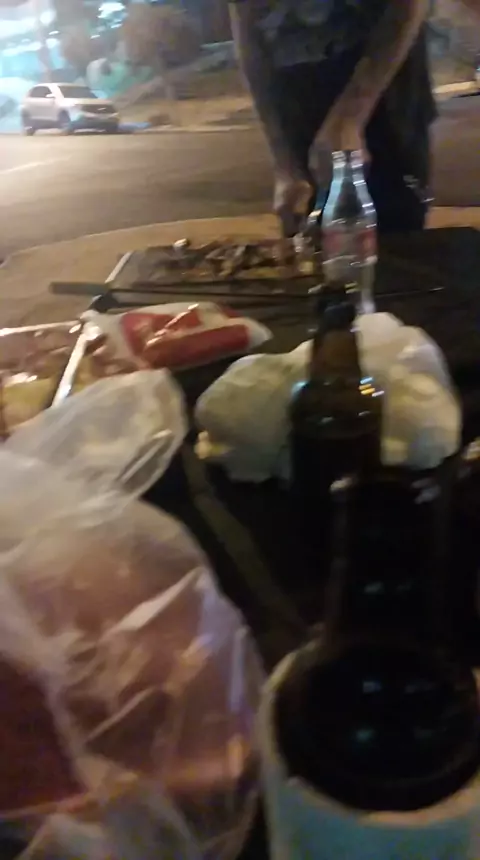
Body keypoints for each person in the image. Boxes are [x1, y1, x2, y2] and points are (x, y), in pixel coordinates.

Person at [229, 0, 435, 236]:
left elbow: (408, 6)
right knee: (310, 235)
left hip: (385, 89)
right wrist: (284, 160)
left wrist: (351, 116)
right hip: (298, 91)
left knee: (397, 235)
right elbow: (247, 28)